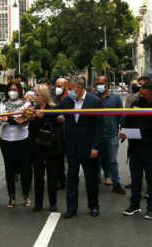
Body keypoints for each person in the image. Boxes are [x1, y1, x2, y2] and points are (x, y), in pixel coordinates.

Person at [53, 76, 104, 219]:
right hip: (71, 146)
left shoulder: (95, 102)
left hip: (89, 148)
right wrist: (39, 112)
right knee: (71, 178)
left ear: (79, 88)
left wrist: (95, 148)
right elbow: (53, 112)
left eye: (69, 89)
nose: (67, 91)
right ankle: (71, 208)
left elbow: (99, 128)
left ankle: (93, 205)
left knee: (91, 179)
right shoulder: (67, 101)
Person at [121, 81, 152, 220]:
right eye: (141, 93)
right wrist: (123, 132)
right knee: (136, 178)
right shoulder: (135, 104)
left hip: (151, 148)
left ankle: (151, 208)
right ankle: (134, 205)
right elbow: (127, 120)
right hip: (135, 147)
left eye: (144, 94)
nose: (141, 96)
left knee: (151, 179)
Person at [0, 80, 32, 208]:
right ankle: (11, 196)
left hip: (21, 138)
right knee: (9, 168)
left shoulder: (26, 103)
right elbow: (0, 121)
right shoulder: (3, 103)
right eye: (10, 90)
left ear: (19, 91)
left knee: (24, 168)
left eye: (15, 90)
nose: (12, 92)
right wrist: (2, 120)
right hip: (6, 139)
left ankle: (26, 195)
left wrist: (8, 118)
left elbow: (23, 120)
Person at [31, 85, 63, 212]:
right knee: (38, 176)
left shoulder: (54, 109)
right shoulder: (33, 109)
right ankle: (38, 203)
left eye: (38, 95)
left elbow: (54, 125)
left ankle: (52, 202)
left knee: (52, 177)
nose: (35, 97)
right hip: (38, 146)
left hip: (52, 145)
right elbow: (33, 127)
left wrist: (43, 117)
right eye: (35, 95)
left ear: (44, 96)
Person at [94, 76, 126, 194]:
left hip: (111, 134)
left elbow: (121, 115)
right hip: (96, 135)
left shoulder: (116, 98)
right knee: (96, 160)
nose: (98, 86)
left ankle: (116, 183)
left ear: (107, 84)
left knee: (112, 160)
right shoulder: (92, 97)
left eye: (101, 83)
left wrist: (123, 130)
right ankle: (94, 183)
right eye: (96, 84)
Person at [123, 76, 150, 189]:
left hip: (149, 138)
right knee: (134, 160)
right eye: (137, 84)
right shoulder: (133, 99)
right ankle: (135, 180)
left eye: (141, 84)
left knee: (149, 164)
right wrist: (125, 130)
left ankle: (150, 185)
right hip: (134, 133)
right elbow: (126, 115)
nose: (138, 86)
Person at [52, 78, 68, 190]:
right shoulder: (53, 100)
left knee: (71, 157)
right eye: (56, 86)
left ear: (66, 87)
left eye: (60, 86)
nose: (57, 88)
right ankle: (61, 179)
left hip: (70, 133)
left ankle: (72, 178)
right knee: (59, 157)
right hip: (57, 133)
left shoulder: (71, 99)